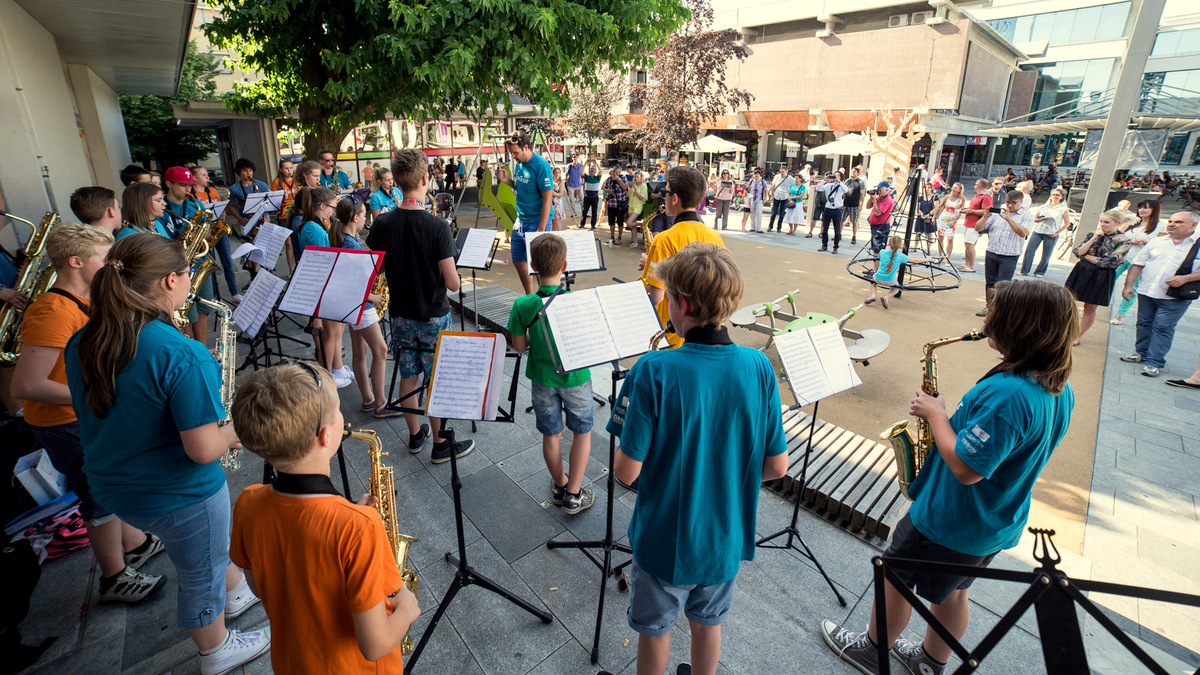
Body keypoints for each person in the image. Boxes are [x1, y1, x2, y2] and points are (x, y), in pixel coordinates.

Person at [823, 279, 1077, 675]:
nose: (987, 317)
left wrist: (936, 415)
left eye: (995, 311)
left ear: (1017, 326)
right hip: (992, 521)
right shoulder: (1056, 385)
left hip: (949, 519)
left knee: (894, 577)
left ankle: (873, 652)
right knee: (955, 591)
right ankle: (929, 662)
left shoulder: (1009, 397)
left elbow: (966, 468)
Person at [64, 233, 269, 673]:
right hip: (177, 494)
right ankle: (215, 649)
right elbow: (203, 449)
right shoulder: (180, 352)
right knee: (200, 573)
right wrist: (234, 428)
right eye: (188, 274)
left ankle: (233, 592)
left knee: (209, 555)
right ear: (171, 279)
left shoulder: (84, 339)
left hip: (112, 488)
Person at [605, 243, 788, 675]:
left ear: (682, 303)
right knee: (708, 624)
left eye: (667, 295)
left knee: (655, 630)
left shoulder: (652, 370)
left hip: (665, 538)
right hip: (725, 536)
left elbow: (626, 471)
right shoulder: (759, 366)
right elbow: (777, 466)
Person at [229, 363, 419, 674]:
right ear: (326, 435)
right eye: (338, 411)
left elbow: (262, 586)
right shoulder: (359, 527)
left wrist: (348, 512)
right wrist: (407, 609)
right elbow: (374, 645)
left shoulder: (247, 502)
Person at [12, 224, 165, 604]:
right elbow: (26, 386)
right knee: (97, 496)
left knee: (107, 486)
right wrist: (94, 397)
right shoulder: (52, 311)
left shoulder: (85, 300)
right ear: (76, 261)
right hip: (64, 423)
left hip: (82, 415)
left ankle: (136, 542)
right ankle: (113, 577)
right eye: (105, 259)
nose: (114, 265)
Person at [366, 148, 474, 463]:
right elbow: (453, 283)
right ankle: (441, 443)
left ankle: (415, 435)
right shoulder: (437, 227)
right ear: (425, 179)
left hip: (400, 314)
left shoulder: (383, 224)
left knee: (408, 373)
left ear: (397, 182)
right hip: (432, 316)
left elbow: (375, 270)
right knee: (436, 378)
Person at [506, 234, 596, 514]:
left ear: (533, 265)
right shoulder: (578, 301)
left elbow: (519, 346)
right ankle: (574, 493)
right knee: (582, 432)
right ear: (565, 265)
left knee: (551, 435)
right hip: (576, 379)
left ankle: (559, 485)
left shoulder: (523, 305)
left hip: (542, 379)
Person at [639, 166, 725, 350]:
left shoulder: (664, 239)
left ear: (674, 198)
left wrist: (648, 272)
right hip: (705, 332)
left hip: (673, 335)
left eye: (666, 192)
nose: (664, 196)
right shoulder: (714, 236)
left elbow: (655, 296)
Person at [329, 197, 393, 417]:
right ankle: (381, 404)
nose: (366, 219)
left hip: (352, 306)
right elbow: (354, 282)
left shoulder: (342, 239)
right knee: (381, 351)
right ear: (355, 218)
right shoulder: (351, 245)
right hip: (362, 306)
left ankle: (368, 398)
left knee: (360, 351)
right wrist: (374, 297)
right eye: (364, 215)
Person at [1119, 212, 1200, 377]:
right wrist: (1128, 286)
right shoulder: (1157, 241)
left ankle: (1154, 362)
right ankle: (1141, 353)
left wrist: (1186, 278)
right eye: (1170, 221)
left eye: (1178, 222)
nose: (1171, 224)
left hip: (1175, 297)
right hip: (1147, 291)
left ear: (1193, 225)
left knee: (1163, 327)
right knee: (1143, 323)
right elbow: (1138, 264)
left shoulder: (1197, 245)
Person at [497, 131, 555, 295]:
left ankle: (543, 297)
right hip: (520, 220)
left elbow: (548, 198)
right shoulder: (520, 164)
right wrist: (507, 181)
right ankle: (530, 296)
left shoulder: (541, 165)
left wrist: (541, 227)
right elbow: (521, 187)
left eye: (515, 152)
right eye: (511, 153)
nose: (513, 156)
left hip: (537, 221)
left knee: (539, 264)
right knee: (518, 259)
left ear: (526, 147)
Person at [1065, 209, 1134, 343]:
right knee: (1067, 301)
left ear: (1118, 223)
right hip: (1082, 271)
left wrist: (1086, 256)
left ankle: (1077, 336)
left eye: (1106, 222)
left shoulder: (1123, 240)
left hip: (1102, 275)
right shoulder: (1093, 234)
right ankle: (1064, 330)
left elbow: (1109, 262)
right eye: (1101, 221)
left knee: (1089, 307)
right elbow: (1077, 251)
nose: (1102, 224)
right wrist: (1093, 238)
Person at [974, 191, 1032, 317]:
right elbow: (978, 228)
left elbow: (1023, 233)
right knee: (990, 282)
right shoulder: (996, 214)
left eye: (1013, 203)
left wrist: (1009, 220)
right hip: (992, 251)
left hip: (1009, 255)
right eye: (1008, 202)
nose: (1010, 206)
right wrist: (985, 216)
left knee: (1004, 285)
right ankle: (989, 307)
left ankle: (999, 310)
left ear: (1021, 203)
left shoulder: (1026, 216)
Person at [1111, 199, 1165, 326]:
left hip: (1141, 261)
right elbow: (1119, 235)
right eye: (1140, 207)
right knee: (1107, 279)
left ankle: (1121, 314)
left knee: (1131, 287)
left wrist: (1146, 242)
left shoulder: (1160, 225)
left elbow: (1163, 244)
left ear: (1154, 210)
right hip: (1122, 257)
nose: (1142, 210)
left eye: (1146, 208)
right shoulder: (1133, 221)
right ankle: (1092, 306)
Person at [866, 236, 931, 309]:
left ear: (889, 243)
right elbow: (915, 261)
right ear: (900, 245)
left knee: (873, 283)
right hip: (891, 281)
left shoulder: (882, 252)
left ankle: (873, 296)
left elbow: (880, 257)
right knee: (896, 288)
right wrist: (926, 259)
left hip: (878, 278)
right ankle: (886, 297)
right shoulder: (901, 256)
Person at [1019, 188, 1071, 277]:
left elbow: (1067, 223)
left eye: (1057, 195)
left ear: (1061, 197)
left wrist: (1057, 233)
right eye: (1053, 194)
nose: (1055, 196)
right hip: (1038, 231)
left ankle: (1040, 272)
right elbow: (1035, 218)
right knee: (1029, 251)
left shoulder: (1063, 209)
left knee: (1046, 254)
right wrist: (1041, 219)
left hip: (1051, 233)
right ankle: (1024, 270)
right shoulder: (1043, 206)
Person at [226, 158, 270, 242]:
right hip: (246, 218)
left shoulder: (262, 185)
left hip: (263, 217)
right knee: (247, 243)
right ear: (239, 172)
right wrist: (241, 220)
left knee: (264, 243)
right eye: (245, 171)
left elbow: (270, 200)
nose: (248, 173)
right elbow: (230, 206)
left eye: (250, 170)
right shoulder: (235, 188)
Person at [956, 179, 994, 273]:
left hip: (975, 224)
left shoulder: (986, 197)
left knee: (970, 244)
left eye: (976, 184)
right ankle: (966, 263)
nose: (974, 186)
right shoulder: (977, 196)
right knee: (967, 244)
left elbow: (986, 211)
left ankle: (971, 266)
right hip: (969, 222)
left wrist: (970, 211)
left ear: (980, 186)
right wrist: (968, 209)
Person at [931, 183, 965, 263]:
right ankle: (940, 256)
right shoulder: (947, 197)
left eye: (956, 188)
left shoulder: (962, 199)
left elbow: (961, 211)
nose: (953, 189)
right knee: (940, 238)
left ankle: (947, 258)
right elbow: (939, 206)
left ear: (960, 190)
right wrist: (934, 217)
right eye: (953, 187)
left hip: (952, 220)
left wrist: (955, 221)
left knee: (950, 239)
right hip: (943, 219)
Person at [817, 172, 846, 253]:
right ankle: (824, 245)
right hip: (828, 208)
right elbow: (818, 188)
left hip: (837, 209)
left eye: (838, 175)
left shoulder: (841, 186)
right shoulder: (828, 185)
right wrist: (825, 180)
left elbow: (846, 190)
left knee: (837, 230)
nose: (835, 177)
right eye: (834, 175)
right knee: (825, 229)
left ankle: (835, 247)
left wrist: (839, 181)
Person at [865, 182, 896, 257]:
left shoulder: (888, 200)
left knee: (878, 249)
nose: (878, 191)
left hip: (881, 227)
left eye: (880, 189)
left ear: (886, 190)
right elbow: (868, 206)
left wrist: (874, 201)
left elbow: (877, 213)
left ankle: (877, 268)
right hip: (875, 225)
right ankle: (876, 268)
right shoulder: (879, 198)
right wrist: (871, 198)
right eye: (878, 189)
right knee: (874, 249)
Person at [603, 167, 630, 245]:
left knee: (620, 221)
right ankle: (612, 236)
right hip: (611, 203)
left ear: (620, 172)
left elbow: (625, 188)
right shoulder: (609, 179)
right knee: (611, 221)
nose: (615, 174)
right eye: (614, 172)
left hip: (619, 203)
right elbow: (605, 187)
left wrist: (618, 180)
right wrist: (606, 190)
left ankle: (619, 237)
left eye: (617, 172)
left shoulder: (623, 178)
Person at [842, 167, 866, 245]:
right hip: (845, 204)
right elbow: (843, 191)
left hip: (854, 205)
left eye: (854, 171)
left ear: (858, 173)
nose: (852, 173)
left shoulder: (860, 182)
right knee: (841, 220)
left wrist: (861, 205)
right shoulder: (847, 181)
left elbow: (862, 194)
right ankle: (839, 234)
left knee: (854, 222)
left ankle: (854, 236)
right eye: (852, 171)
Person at [625, 172, 650, 246]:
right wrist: (629, 189)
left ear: (641, 178)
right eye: (635, 177)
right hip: (631, 205)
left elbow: (642, 198)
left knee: (629, 222)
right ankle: (635, 242)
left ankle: (642, 224)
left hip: (638, 206)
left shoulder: (643, 185)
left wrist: (636, 189)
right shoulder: (633, 185)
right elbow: (627, 196)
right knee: (633, 225)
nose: (636, 179)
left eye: (637, 177)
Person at [767, 167, 793, 233]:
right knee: (774, 213)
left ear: (786, 171)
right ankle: (770, 226)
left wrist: (790, 196)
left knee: (782, 213)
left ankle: (779, 227)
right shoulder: (777, 176)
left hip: (784, 196)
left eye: (783, 171)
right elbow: (773, 185)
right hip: (777, 195)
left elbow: (792, 187)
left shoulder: (790, 178)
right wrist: (772, 195)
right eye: (780, 171)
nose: (781, 173)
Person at [581, 160, 602, 230]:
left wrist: (597, 164)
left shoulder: (597, 178)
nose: (592, 170)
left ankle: (593, 225)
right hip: (587, 197)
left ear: (595, 171)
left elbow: (601, 171)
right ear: (589, 171)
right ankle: (582, 224)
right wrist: (585, 163)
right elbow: (581, 171)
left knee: (594, 212)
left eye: (594, 169)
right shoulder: (587, 177)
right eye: (591, 169)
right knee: (584, 211)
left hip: (594, 197)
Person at [914, 182, 937, 248]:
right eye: (926, 187)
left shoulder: (934, 197)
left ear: (931, 188)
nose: (927, 189)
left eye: (929, 187)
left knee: (929, 234)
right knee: (918, 233)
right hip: (921, 217)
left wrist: (928, 215)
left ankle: (928, 249)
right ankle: (915, 247)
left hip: (930, 217)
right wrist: (922, 215)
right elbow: (917, 208)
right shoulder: (920, 198)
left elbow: (936, 207)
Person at [745, 168, 767, 233]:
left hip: (759, 199)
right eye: (755, 174)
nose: (756, 175)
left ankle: (759, 228)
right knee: (752, 213)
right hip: (751, 199)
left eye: (757, 174)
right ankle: (752, 227)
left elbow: (766, 191)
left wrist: (765, 199)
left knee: (759, 213)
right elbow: (747, 189)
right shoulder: (751, 181)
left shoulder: (763, 182)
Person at [784, 171, 806, 236]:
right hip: (790, 202)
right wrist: (789, 198)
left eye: (797, 178)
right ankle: (790, 229)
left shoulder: (802, 187)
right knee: (789, 215)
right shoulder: (791, 185)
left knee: (796, 216)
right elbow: (788, 192)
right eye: (795, 178)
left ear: (800, 179)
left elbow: (801, 195)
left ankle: (794, 230)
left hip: (797, 202)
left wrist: (793, 198)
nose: (796, 179)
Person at [551, 167, 567, 231]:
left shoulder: (561, 182)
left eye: (558, 172)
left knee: (557, 220)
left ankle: (559, 233)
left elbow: (561, 193)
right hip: (551, 202)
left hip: (557, 203)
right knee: (553, 220)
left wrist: (552, 193)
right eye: (555, 172)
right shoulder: (550, 180)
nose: (557, 174)